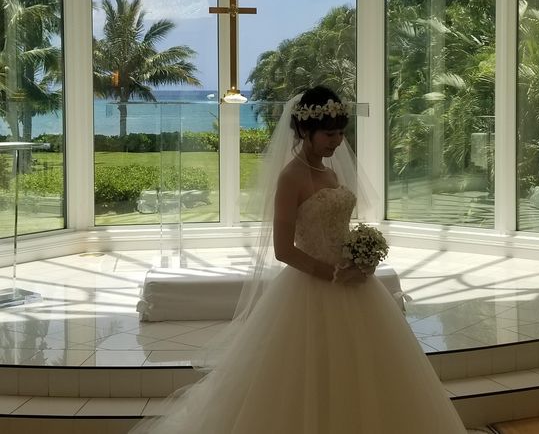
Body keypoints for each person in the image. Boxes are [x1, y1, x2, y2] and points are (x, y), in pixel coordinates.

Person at [131, 86, 467, 434]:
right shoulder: (291, 177)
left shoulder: (331, 173)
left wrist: (360, 255)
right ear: (305, 130)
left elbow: (336, 228)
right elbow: (283, 249)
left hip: (353, 283)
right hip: (312, 286)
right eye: (329, 134)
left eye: (340, 133)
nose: (337, 141)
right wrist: (334, 273)